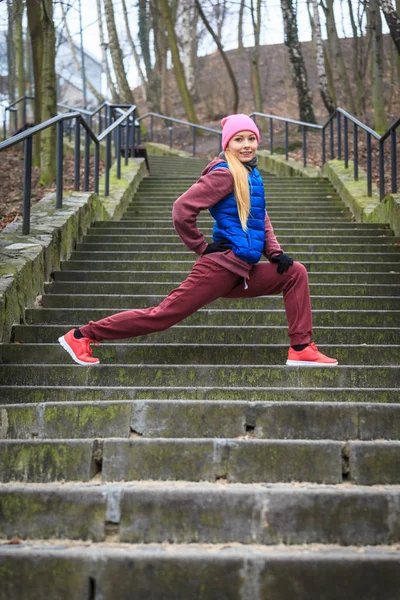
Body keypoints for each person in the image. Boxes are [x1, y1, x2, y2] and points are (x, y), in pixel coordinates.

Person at [58, 114, 338, 367]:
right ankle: (83, 335)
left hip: (243, 270)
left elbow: (260, 217)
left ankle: (301, 348)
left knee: (294, 272)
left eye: (251, 138)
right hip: (220, 269)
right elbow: (182, 208)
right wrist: (201, 246)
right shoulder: (224, 174)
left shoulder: (251, 175)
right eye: (239, 139)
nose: (246, 145)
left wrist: (275, 253)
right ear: (227, 144)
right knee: (162, 316)